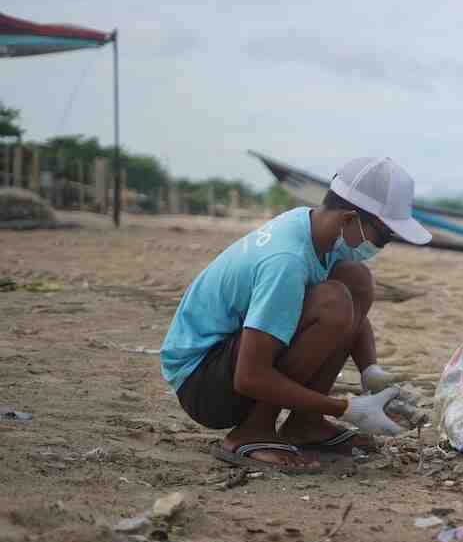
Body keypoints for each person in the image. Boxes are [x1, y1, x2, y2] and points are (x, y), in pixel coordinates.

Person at [160, 157, 432, 473]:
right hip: (202, 384)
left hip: (228, 362)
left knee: (355, 278)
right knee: (333, 302)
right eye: (384, 236)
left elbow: (353, 316)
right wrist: (345, 408)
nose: (383, 245)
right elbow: (249, 376)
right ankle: (251, 431)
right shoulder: (286, 261)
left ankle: (306, 423)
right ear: (349, 219)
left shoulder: (315, 230)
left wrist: (369, 370)